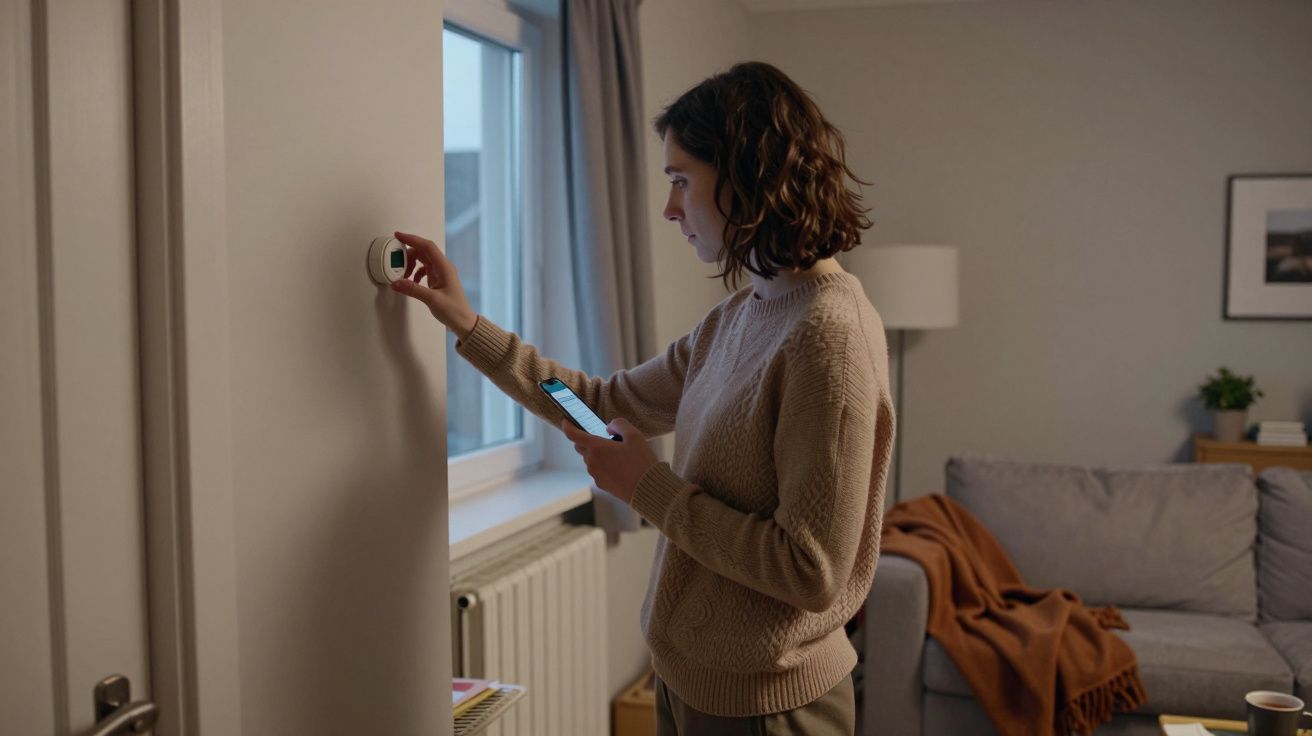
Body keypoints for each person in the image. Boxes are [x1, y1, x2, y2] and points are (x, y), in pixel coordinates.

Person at [392, 61, 894, 736]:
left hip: (772, 709)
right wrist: (466, 323)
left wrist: (648, 486)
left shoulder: (828, 339)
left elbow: (812, 571)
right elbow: (597, 404)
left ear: (746, 177)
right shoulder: (741, 316)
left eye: (682, 180)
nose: (669, 207)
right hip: (691, 685)